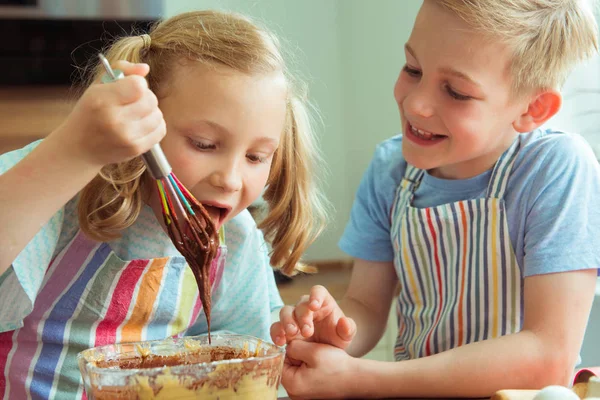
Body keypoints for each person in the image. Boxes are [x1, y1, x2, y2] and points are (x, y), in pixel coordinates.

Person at [271, 0, 600, 398]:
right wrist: (333, 329)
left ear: (533, 108)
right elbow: (367, 305)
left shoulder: (555, 168)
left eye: (457, 92)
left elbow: (550, 355)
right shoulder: (389, 171)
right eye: (413, 69)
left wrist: (360, 379)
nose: (416, 104)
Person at [0, 10, 327, 399]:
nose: (231, 178)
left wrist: (294, 337)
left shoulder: (233, 242)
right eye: (204, 144)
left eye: (256, 157)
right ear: (145, 122)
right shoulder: (62, 184)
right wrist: (73, 152)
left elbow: (248, 354)